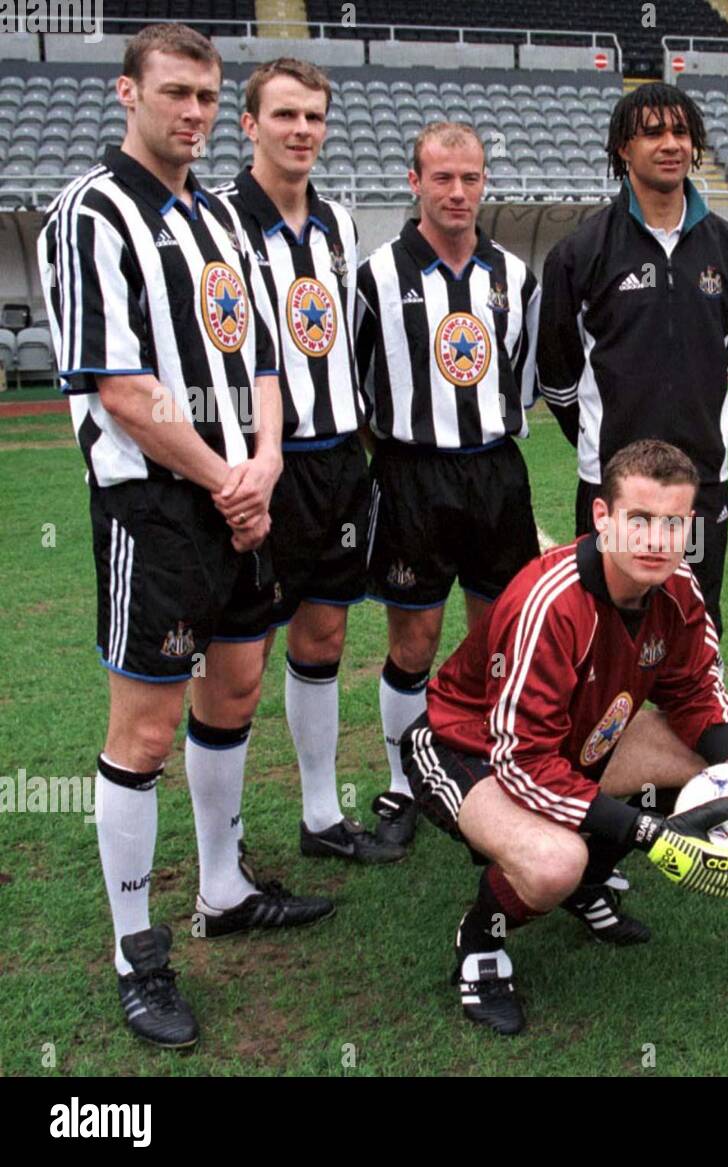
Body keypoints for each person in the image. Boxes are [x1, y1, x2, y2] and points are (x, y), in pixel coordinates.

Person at [37, 23, 332, 1049]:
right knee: (145, 734)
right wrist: (222, 479)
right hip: (158, 510)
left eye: (207, 96)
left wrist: (263, 463)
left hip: (240, 493)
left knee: (237, 688)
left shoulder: (218, 217)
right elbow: (118, 386)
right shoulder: (89, 213)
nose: (194, 113)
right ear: (130, 95)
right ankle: (136, 950)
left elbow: (257, 359)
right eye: (175, 93)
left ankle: (224, 889)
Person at [397, 440, 728, 1035]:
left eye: (671, 524)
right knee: (551, 863)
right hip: (469, 748)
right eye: (639, 520)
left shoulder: (678, 589)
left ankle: (589, 882)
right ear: (602, 518)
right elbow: (522, 760)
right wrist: (645, 830)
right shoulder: (551, 603)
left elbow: (697, 689)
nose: (654, 540)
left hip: (575, 740)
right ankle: (480, 943)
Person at [212, 58, 401, 865]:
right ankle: (221, 858)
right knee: (236, 668)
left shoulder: (338, 223)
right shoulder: (214, 221)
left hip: (337, 465)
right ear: (249, 124)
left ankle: (322, 816)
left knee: (323, 637)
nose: (301, 132)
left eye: (314, 118)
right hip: (263, 469)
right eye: (284, 115)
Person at [353, 121, 543, 849]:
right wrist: (404, 450)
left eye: (470, 178)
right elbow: (358, 387)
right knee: (414, 640)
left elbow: (519, 384)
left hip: (495, 473)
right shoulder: (374, 276)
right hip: (411, 475)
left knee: (498, 638)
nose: (458, 191)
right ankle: (403, 787)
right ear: (415, 182)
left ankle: (490, 771)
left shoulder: (515, 277)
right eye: (442, 177)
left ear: (484, 182)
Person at [537, 83, 728, 636]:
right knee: (606, 626)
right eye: (652, 132)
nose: (670, 143)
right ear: (622, 149)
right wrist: (600, 442)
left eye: (681, 132)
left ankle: (691, 725)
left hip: (702, 479)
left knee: (696, 622)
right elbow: (557, 376)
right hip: (611, 481)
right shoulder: (581, 251)